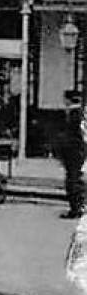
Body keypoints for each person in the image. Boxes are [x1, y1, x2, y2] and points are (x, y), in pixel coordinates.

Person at [60, 89, 85, 220]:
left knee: (73, 180)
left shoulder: (74, 114)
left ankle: (75, 208)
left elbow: (71, 136)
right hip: (78, 151)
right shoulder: (80, 113)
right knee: (75, 178)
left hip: (73, 152)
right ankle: (78, 206)